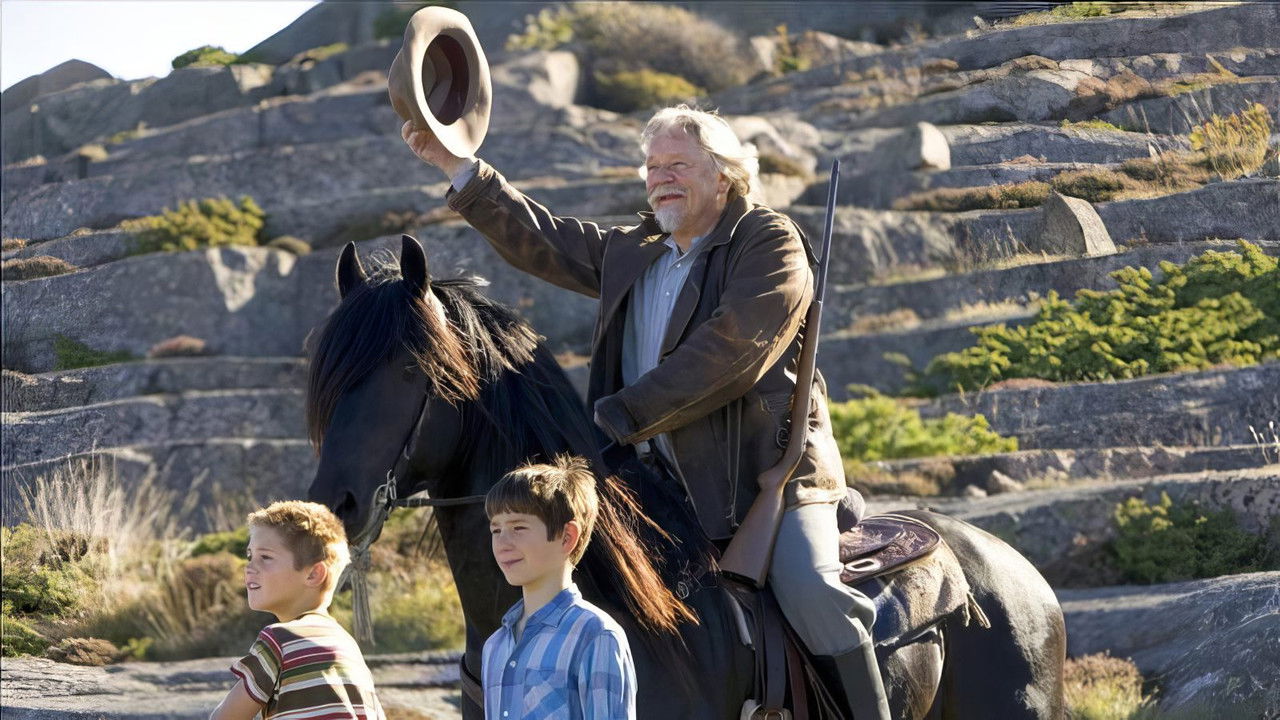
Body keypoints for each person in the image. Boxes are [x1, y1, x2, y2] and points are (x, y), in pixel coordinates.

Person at [404, 104, 889, 718]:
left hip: (762, 482)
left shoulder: (768, 241)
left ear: (724, 174)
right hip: (645, 485)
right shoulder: (636, 250)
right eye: (652, 166)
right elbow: (543, 238)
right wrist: (456, 167)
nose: (660, 177)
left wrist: (618, 416)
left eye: (678, 165)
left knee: (815, 591)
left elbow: (732, 349)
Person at [483, 454, 637, 720]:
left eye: (518, 527)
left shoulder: (597, 635)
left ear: (567, 537)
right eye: (496, 530)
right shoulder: (495, 646)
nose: (502, 543)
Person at [210, 500, 385, 720]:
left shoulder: (279, 640)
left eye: (265, 557)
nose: (249, 568)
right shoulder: (349, 648)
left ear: (313, 574)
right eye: (249, 556)